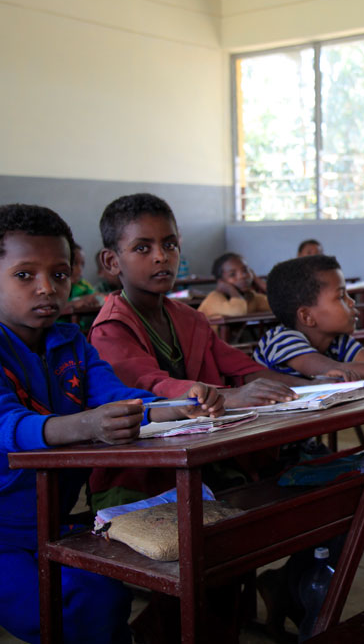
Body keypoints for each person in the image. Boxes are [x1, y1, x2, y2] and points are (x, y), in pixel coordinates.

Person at [0, 204, 223, 644]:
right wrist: (88, 424)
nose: (47, 288)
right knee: (71, 615)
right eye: (25, 275)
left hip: (57, 526)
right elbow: (5, 428)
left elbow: (120, 401)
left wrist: (182, 405)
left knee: (104, 597)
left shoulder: (72, 343)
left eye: (61, 273)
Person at [88, 193, 299, 508]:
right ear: (111, 261)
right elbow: (150, 387)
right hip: (139, 479)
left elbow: (242, 368)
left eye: (170, 244)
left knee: (308, 490)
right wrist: (228, 396)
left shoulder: (189, 318)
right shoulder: (110, 330)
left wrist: (316, 385)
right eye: (142, 248)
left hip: (204, 459)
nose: (161, 256)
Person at [254, 254, 364, 381]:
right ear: (307, 316)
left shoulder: (337, 341)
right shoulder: (282, 340)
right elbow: (332, 368)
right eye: (341, 296)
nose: (351, 302)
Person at [197, 252, 271, 319]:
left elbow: (277, 305)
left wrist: (256, 279)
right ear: (221, 282)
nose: (242, 276)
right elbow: (238, 312)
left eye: (245, 270)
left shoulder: (250, 297)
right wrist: (231, 290)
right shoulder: (214, 299)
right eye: (232, 274)